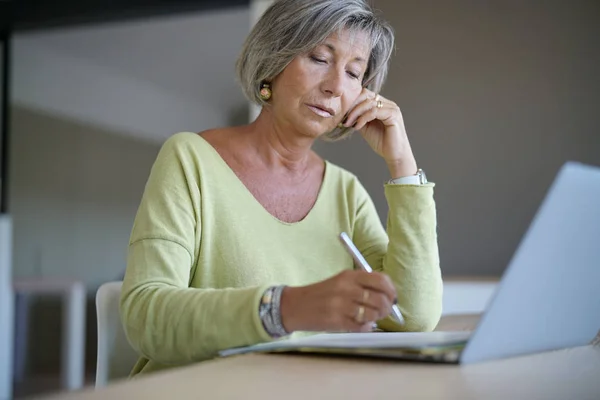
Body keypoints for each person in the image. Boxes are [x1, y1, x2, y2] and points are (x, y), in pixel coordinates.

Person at [120, 0, 442, 376]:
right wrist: (286, 307)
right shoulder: (190, 159)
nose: (337, 86)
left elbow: (414, 317)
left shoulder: (345, 192)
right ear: (274, 61)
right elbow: (145, 316)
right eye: (320, 58)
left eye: (355, 73)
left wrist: (402, 165)